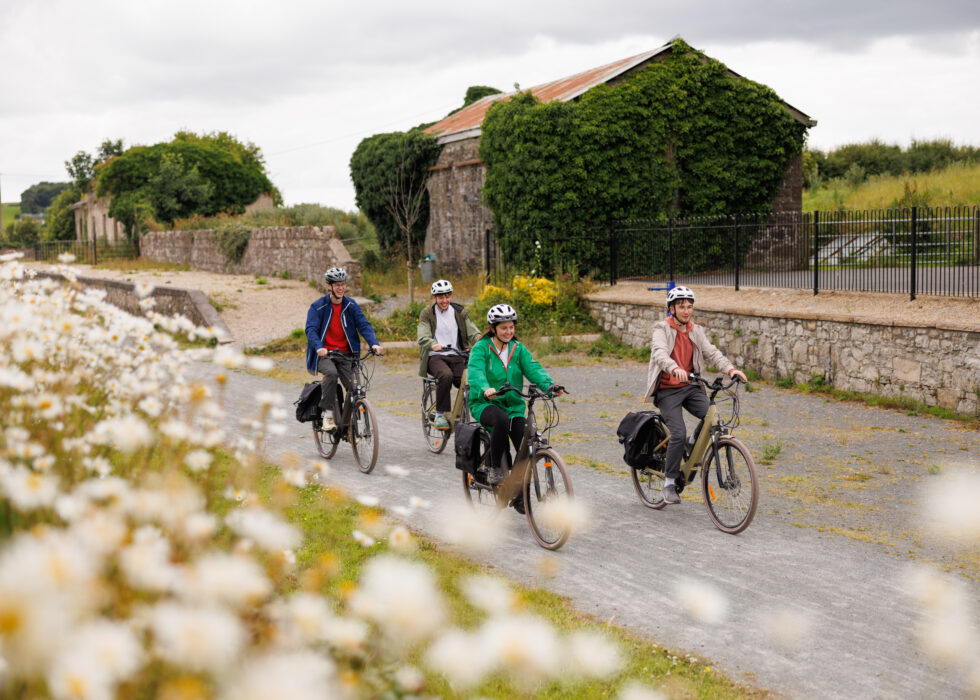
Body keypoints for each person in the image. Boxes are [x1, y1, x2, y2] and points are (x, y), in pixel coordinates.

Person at [644, 286, 747, 504]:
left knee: (714, 418)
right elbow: (659, 353)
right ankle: (669, 482)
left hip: (690, 386)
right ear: (672, 309)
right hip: (668, 389)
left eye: (689, 307)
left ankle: (692, 442)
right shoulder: (661, 329)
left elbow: (712, 353)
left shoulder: (695, 330)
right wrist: (674, 368)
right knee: (678, 433)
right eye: (681, 307)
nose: (686, 311)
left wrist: (731, 370)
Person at [467, 304, 562, 492]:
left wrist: (550, 386)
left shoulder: (518, 348)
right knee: (500, 420)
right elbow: (476, 372)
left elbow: (533, 369)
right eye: (503, 328)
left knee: (524, 446)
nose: (508, 331)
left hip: (513, 406)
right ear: (493, 328)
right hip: (485, 403)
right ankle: (495, 468)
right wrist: (486, 389)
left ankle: (519, 497)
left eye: (511, 327)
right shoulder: (481, 348)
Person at [305, 267, 384, 431]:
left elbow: (364, 325)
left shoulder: (350, 305)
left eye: (343, 284)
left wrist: (374, 343)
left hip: (346, 355)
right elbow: (311, 330)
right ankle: (327, 415)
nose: (341, 288)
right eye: (337, 285)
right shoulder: (318, 306)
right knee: (331, 374)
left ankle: (348, 424)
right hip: (324, 355)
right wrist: (319, 347)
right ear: (329, 286)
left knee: (356, 389)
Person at [417, 279, 482, 429]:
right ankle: (440, 414)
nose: (444, 300)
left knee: (468, 380)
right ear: (435, 297)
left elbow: (473, 332)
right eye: (441, 297)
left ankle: (469, 414)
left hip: (457, 355)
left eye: (447, 296)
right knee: (446, 376)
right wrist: (432, 344)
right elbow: (422, 335)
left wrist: (482, 342)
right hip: (435, 356)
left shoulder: (459, 312)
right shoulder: (427, 313)